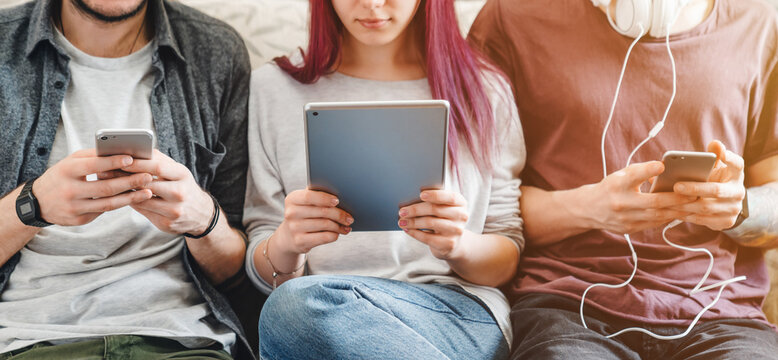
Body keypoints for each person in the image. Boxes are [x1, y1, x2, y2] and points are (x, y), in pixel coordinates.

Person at [468, 0, 778, 358]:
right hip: (568, 308)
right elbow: (484, 212)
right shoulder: (512, 16)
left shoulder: (759, 22)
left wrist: (739, 209)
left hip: (721, 315)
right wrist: (589, 209)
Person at [242, 0, 525, 358]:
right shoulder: (273, 87)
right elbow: (260, 258)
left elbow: (507, 251)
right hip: (321, 311)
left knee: (292, 311)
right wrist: (287, 243)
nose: (373, 4)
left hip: (454, 313)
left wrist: (458, 245)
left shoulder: (485, 88)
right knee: (290, 309)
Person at [0, 0, 254, 358]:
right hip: (29, 341)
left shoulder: (216, 52)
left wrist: (203, 219)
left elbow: (238, 276)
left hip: (184, 341)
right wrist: (33, 204)